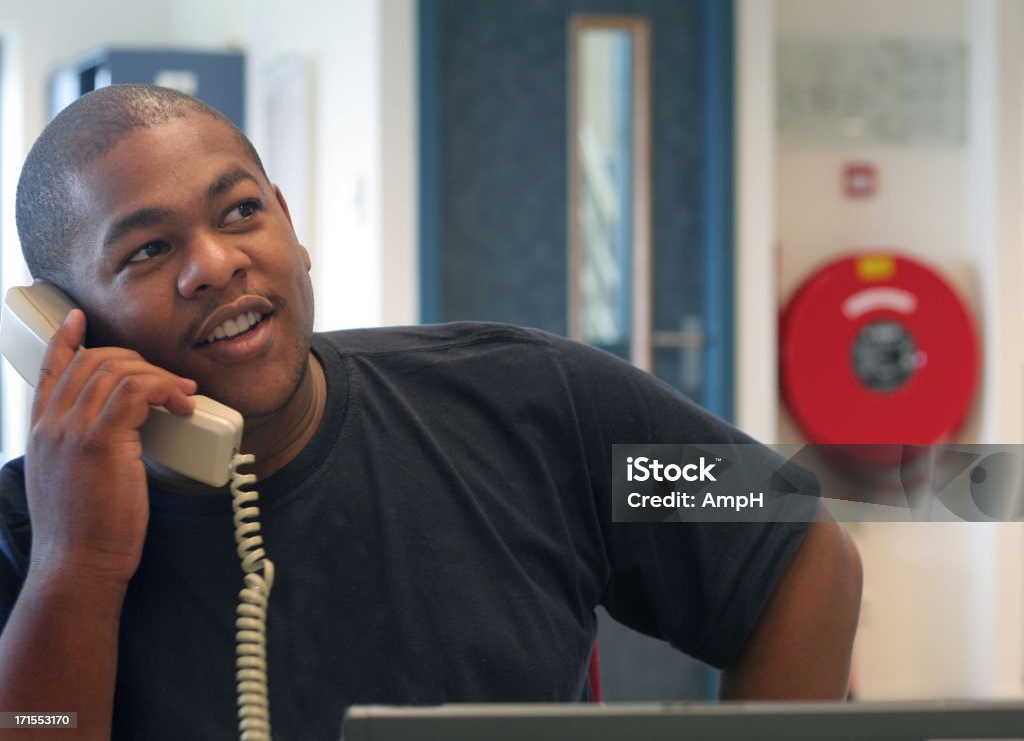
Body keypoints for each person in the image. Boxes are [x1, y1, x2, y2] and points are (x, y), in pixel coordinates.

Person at [0, 85, 861, 740]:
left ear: (290, 226)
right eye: (149, 250)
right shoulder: (24, 532)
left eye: (241, 212)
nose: (218, 263)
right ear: (62, 326)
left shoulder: (533, 404)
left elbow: (790, 530)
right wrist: (76, 563)